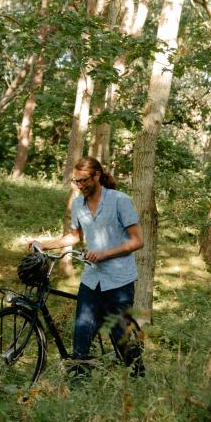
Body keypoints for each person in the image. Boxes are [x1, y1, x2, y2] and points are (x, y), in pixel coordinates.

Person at [30, 157, 144, 373]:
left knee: (121, 339)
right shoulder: (78, 204)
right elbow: (74, 237)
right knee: (81, 334)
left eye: (83, 180)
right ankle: (79, 383)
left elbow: (137, 241)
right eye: (76, 181)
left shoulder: (120, 201)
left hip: (119, 282)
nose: (80, 185)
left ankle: (138, 378)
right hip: (92, 280)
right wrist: (44, 244)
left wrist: (104, 254)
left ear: (97, 176)